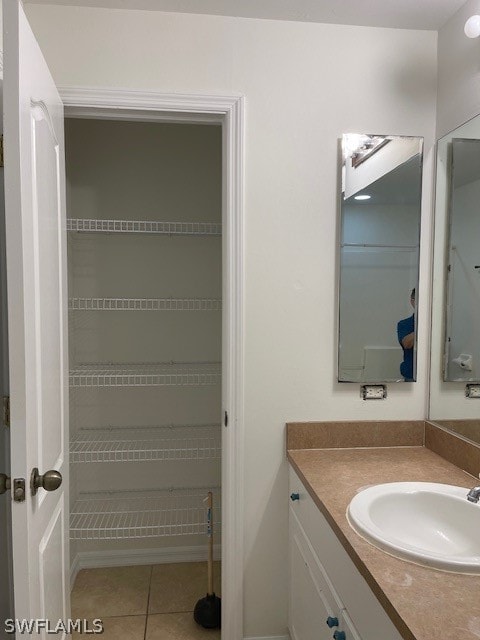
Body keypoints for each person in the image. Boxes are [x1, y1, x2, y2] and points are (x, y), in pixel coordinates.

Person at [397, 288, 415, 381]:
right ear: (413, 302)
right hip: (411, 375)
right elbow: (407, 344)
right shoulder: (404, 324)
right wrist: (424, 326)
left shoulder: (440, 325)